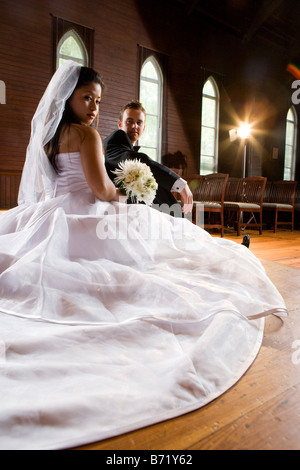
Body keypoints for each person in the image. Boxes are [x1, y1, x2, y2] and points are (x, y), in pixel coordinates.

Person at [0, 61, 287, 450]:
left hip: (54, 215)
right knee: (156, 242)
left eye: (97, 100)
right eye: (87, 98)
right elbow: (101, 191)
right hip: (88, 214)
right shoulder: (87, 136)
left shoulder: (50, 137)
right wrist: (126, 198)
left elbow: (57, 185)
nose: (94, 107)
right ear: (68, 97)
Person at [103, 100, 193, 215]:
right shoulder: (117, 137)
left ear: (143, 127)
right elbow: (136, 159)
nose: (135, 126)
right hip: (116, 204)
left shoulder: (123, 146)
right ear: (120, 124)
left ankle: (177, 220)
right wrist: (181, 185)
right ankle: (178, 221)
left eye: (139, 122)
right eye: (129, 121)